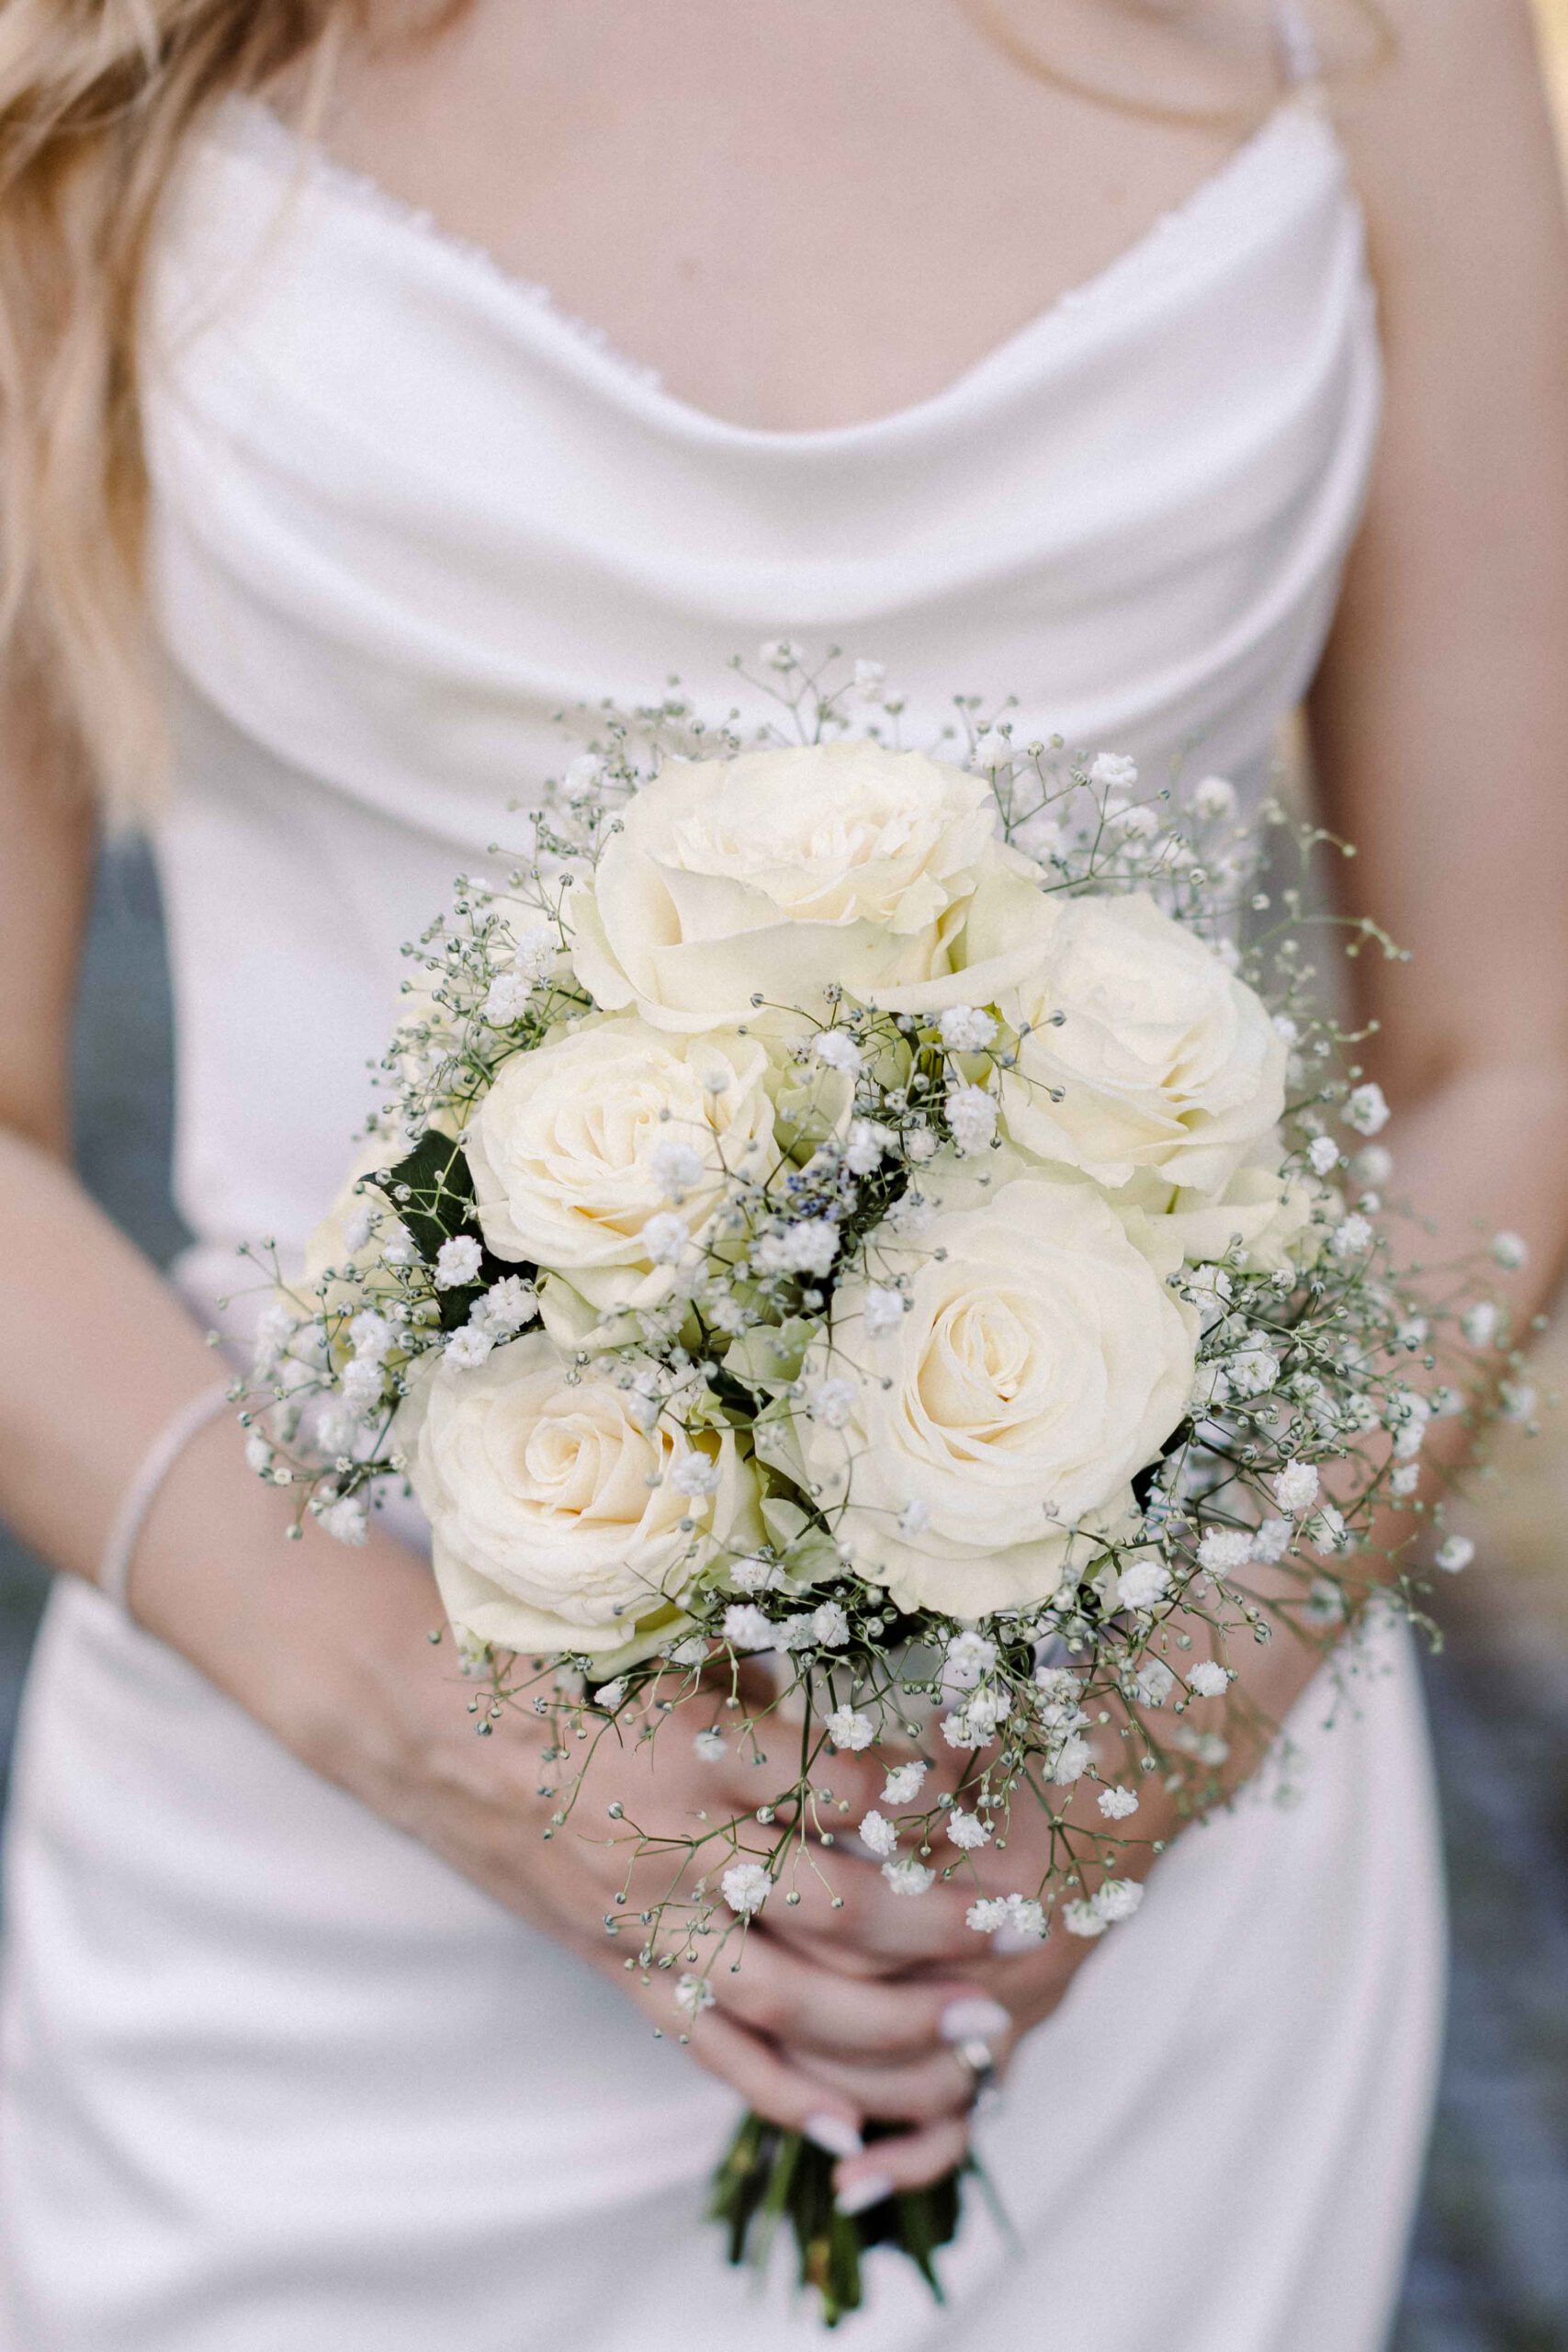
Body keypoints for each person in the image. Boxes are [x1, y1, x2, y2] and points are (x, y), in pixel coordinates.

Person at [2, 2, 1566, 2346]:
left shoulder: (1374, 35)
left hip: (1101, 1926)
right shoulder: (89, 48)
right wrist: (417, 1720)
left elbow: (1502, 1054)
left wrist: (1141, 1750)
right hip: (306, 1872)